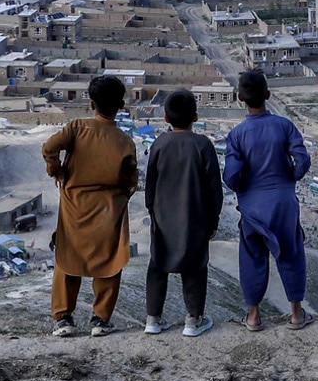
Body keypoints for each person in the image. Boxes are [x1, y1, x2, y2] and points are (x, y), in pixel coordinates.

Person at [41, 75, 138, 338]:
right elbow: (130, 180)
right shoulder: (124, 142)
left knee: (68, 255)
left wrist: (58, 172)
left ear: (91, 103)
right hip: (109, 208)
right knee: (108, 262)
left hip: (74, 205)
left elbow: (49, 148)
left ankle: (63, 319)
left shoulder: (75, 128)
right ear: (120, 105)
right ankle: (100, 320)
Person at [222, 69, 312, 331]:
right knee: (291, 254)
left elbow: (231, 176)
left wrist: (245, 188)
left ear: (240, 97)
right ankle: (296, 314)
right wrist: (289, 178)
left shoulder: (237, 135)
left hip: (252, 207)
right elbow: (302, 160)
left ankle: (253, 316)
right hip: (283, 203)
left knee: (252, 257)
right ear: (268, 95)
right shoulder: (284, 126)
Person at [142, 90, 223, 338]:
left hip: (164, 219)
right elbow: (214, 189)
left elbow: (150, 185)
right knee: (195, 267)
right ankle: (192, 320)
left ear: (165, 118)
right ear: (196, 116)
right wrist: (213, 219)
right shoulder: (203, 145)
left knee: (158, 265)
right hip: (195, 218)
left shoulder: (159, 144)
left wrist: (153, 212)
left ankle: (152, 319)